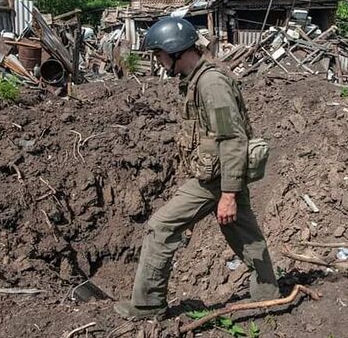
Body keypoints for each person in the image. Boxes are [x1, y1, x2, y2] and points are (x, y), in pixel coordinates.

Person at [113, 17, 280, 320]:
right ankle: (269, 295)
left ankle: (147, 306)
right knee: (246, 235)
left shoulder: (211, 83)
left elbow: (231, 138)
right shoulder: (198, 79)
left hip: (216, 180)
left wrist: (228, 193)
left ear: (173, 50)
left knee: (160, 227)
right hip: (220, 173)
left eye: (158, 54)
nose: (158, 61)